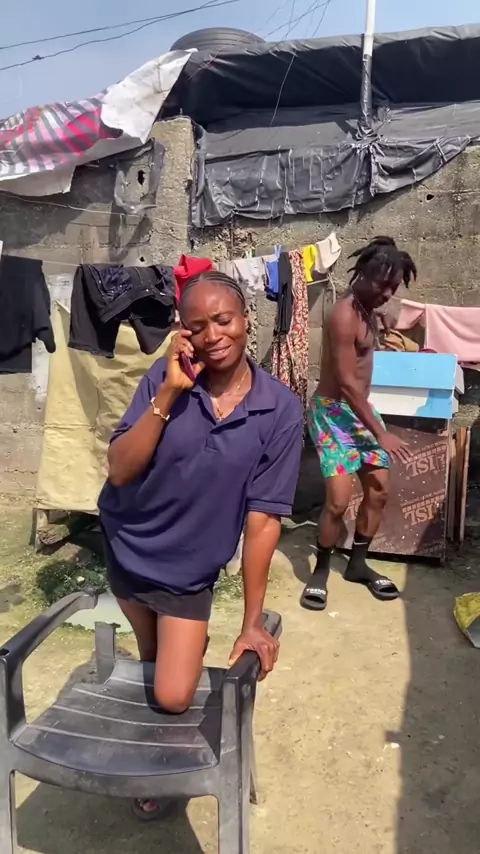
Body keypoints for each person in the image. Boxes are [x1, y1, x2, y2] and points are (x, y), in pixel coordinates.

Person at [98, 270, 303, 817]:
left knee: (173, 694)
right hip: (128, 540)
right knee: (150, 661)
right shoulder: (163, 380)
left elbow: (264, 520)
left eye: (223, 320)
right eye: (197, 326)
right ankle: (161, 760)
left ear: (246, 319)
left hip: (189, 569)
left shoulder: (279, 409)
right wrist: (169, 391)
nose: (213, 335)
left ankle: (181, 664)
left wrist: (252, 621)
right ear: (181, 332)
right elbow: (119, 470)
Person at [300, 237, 417, 612]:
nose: (388, 294)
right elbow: (348, 383)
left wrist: (381, 325)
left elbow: (362, 361)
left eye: (394, 287)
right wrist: (381, 432)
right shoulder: (343, 315)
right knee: (337, 501)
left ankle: (357, 564)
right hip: (334, 412)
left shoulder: (368, 311)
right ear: (363, 275)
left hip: (359, 409)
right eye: (383, 285)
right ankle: (321, 569)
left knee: (379, 489)